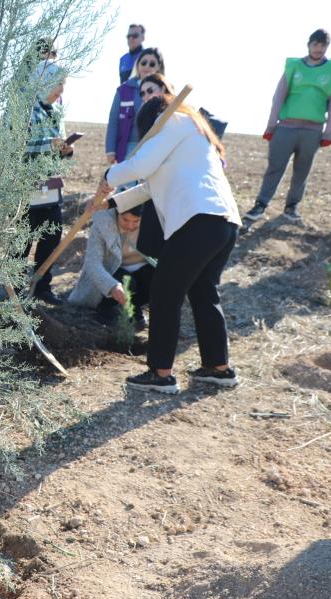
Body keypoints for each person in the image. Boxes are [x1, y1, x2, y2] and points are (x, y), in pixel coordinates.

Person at [100, 93, 241, 394]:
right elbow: (147, 186)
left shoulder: (175, 122)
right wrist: (109, 203)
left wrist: (108, 175)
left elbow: (139, 165)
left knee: (165, 293)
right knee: (204, 292)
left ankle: (160, 373)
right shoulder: (192, 137)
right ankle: (219, 368)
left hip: (197, 223)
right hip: (223, 223)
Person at [242, 29, 331, 229]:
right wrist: (271, 125)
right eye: (315, 44)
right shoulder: (294, 66)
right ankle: (260, 205)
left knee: (302, 170)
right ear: (309, 44)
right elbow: (278, 96)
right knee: (275, 167)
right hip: (286, 127)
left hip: (313, 130)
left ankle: (291, 207)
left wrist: (329, 132)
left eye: (322, 45)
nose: (318, 48)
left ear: (327, 47)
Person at [23, 60, 72, 305]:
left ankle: (42, 285)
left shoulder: (55, 111)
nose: (61, 90)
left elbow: (57, 143)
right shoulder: (25, 108)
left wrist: (65, 149)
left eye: (63, 84)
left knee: (51, 233)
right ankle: (16, 286)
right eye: (57, 83)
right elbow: (18, 144)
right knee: (23, 238)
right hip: (26, 183)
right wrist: (48, 145)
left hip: (50, 183)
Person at [67, 200, 153, 329]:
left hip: (140, 268)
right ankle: (106, 308)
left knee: (156, 278)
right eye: (125, 220)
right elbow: (93, 263)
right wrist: (111, 285)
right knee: (127, 281)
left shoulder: (154, 225)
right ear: (117, 213)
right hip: (112, 272)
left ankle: (134, 307)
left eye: (136, 221)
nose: (130, 226)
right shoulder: (103, 224)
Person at [106, 47, 163, 165]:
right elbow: (113, 120)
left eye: (152, 64)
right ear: (137, 65)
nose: (147, 66)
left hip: (156, 146)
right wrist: (110, 149)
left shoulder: (165, 90)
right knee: (128, 181)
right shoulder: (124, 90)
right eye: (144, 62)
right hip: (129, 145)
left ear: (158, 67)